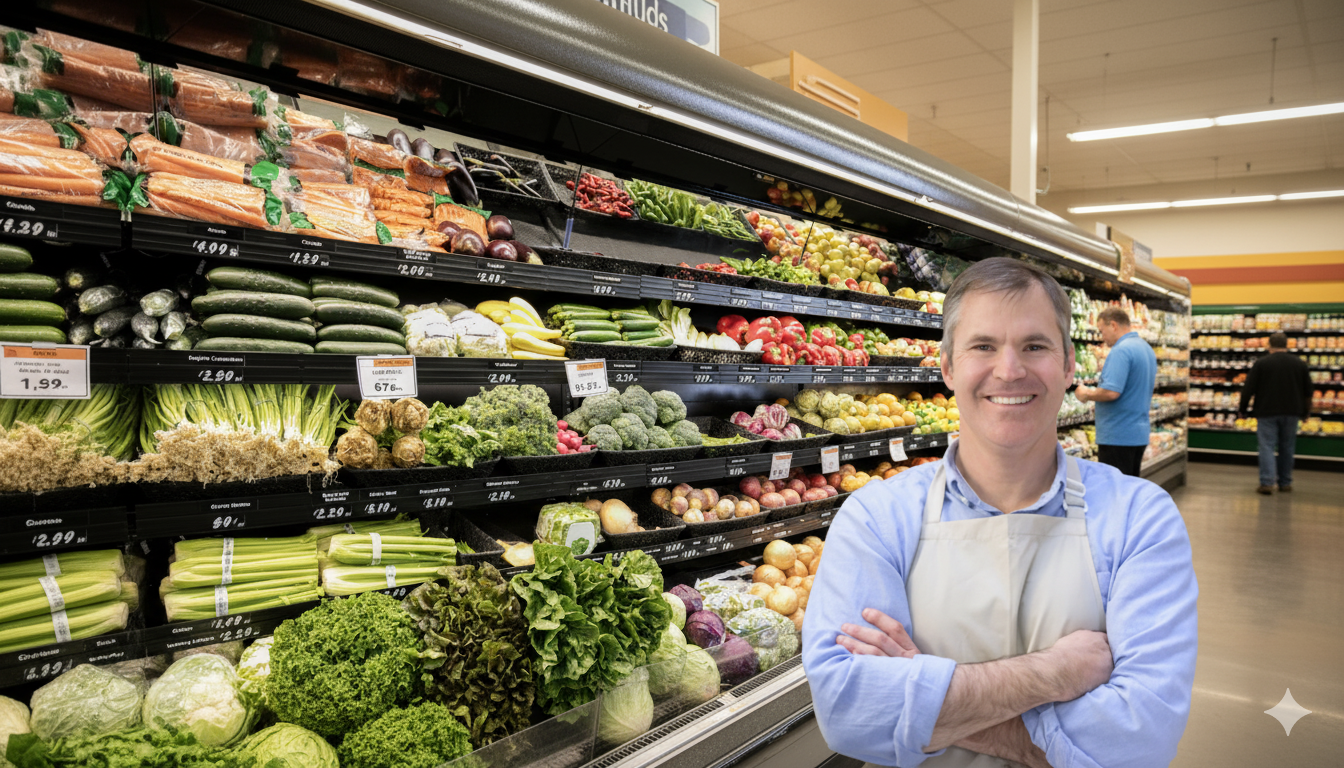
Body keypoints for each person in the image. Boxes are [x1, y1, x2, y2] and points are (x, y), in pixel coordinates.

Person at [802, 257, 1197, 768]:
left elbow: (1140, 741)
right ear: (946, 367)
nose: (1009, 371)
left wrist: (922, 700)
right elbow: (846, 712)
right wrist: (1054, 673)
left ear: (1069, 363)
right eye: (983, 346)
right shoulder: (875, 517)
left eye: (1034, 346)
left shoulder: (1141, 518)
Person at [1075, 307, 1157, 476]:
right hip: (1137, 434)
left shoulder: (1121, 351)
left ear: (1113, 325)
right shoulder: (1145, 348)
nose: (1102, 337)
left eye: (1102, 330)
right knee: (1129, 488)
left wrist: (1086, 393)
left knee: (1115, 491)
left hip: (1118, 435)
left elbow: (1111, 392)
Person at [1238, 331, 1312, 494]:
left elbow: (1249, 388)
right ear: (1286, 345)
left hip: (1267, 411)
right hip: (1292, 411)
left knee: (1266, 446)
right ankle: (1285, 483)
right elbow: (1308, 391)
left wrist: (1242, 409)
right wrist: (1306, 412)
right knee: (1287, 447)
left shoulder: (1262, 363)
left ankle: (1267, 483)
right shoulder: (1299, 363)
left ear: (1269, 345)